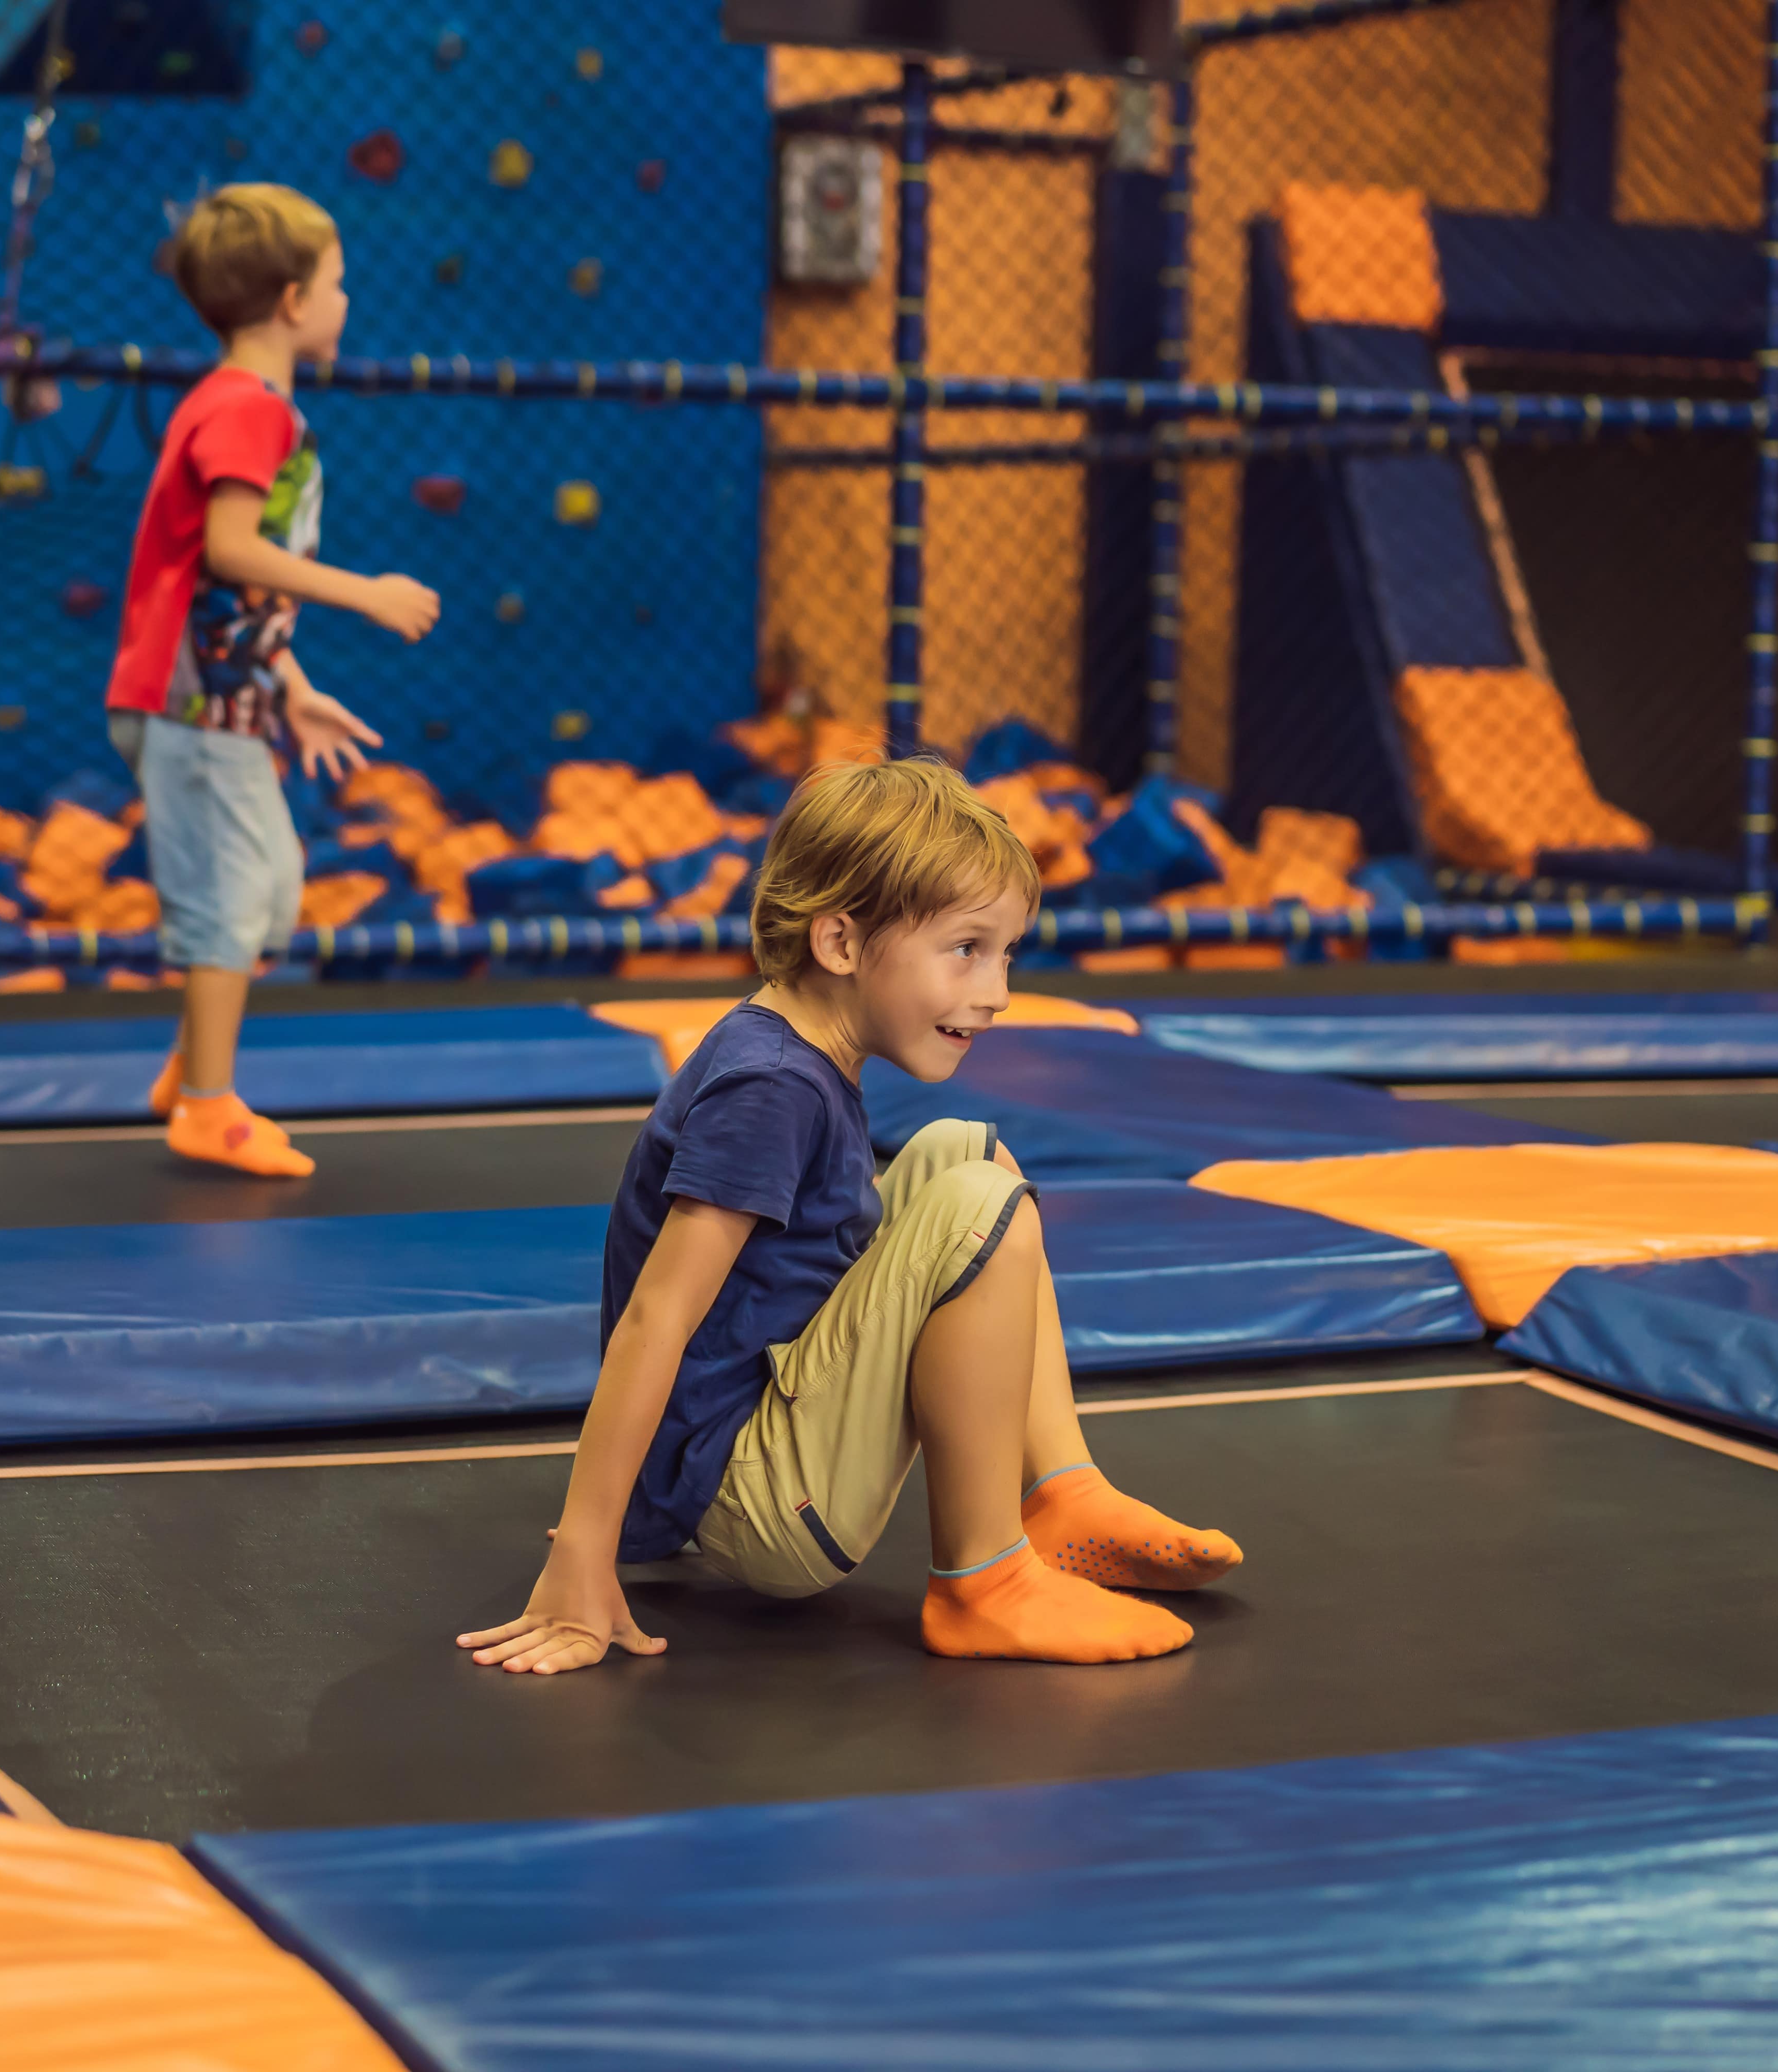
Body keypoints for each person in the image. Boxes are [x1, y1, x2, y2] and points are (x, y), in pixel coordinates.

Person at [459, 758, 1241, 1673]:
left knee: (970, 1152)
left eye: (1005, 954)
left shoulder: (790, 1049)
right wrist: (584, 1555)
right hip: (757, 1501)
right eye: (965, 950)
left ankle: (1066, 1491)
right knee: (976, 1203)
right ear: (838, 943)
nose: (995, 990)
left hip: (743, 1451)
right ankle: (984, 1582)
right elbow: (656, 1318)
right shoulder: (772, 1090)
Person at [104, 183, 440, 1177]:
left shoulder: (244, 408)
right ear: (294, 299)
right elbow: (233, 550)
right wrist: (364, 592)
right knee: (233, 893)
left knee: (274, 891)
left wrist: (288, 681)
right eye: (339, 282)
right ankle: (206, 1105)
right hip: (190, 704)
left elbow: (213, 583)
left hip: (221, 693)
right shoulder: (250, 413)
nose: (349, 299)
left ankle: (187, 1067)